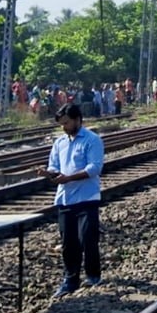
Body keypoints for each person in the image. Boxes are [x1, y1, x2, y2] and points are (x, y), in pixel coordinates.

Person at [37, 104, 105, 298]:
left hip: (87, 196)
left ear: (77, 120)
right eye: (61, 124)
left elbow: (94, 168)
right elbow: (55, 166)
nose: (64, 127)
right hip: (65, 198)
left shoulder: (92, 140)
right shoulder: (60, 143)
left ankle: (93, 275)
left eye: (66, 123)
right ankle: (70, 279)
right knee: (68, 242)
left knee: (88, 239)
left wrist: (69, 178)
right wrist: (48, 173)